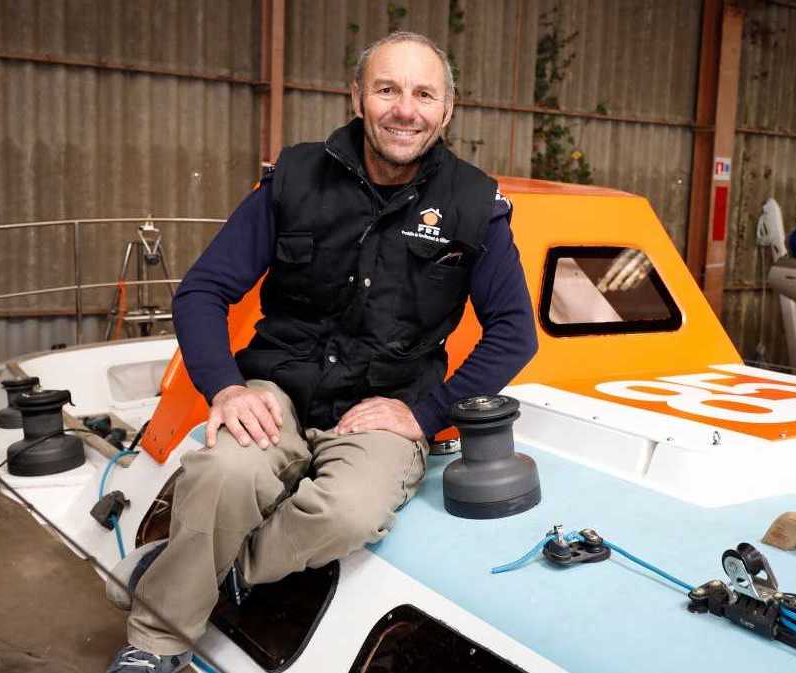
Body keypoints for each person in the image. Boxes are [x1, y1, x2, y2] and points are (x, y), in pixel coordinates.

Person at [105, 31, 537, 673]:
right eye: (387, 89)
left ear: (445, 111)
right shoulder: (294, 180)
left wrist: (424, 414)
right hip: (275, 390)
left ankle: (216, 577)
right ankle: (155, 643)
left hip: (386, 404)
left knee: (348, 510)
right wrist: (226, 387)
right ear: (357, 96)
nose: (404, 109)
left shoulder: (474, 205)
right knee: (221, 476)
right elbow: (202, 290)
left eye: (424, 94)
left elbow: (513, 329)